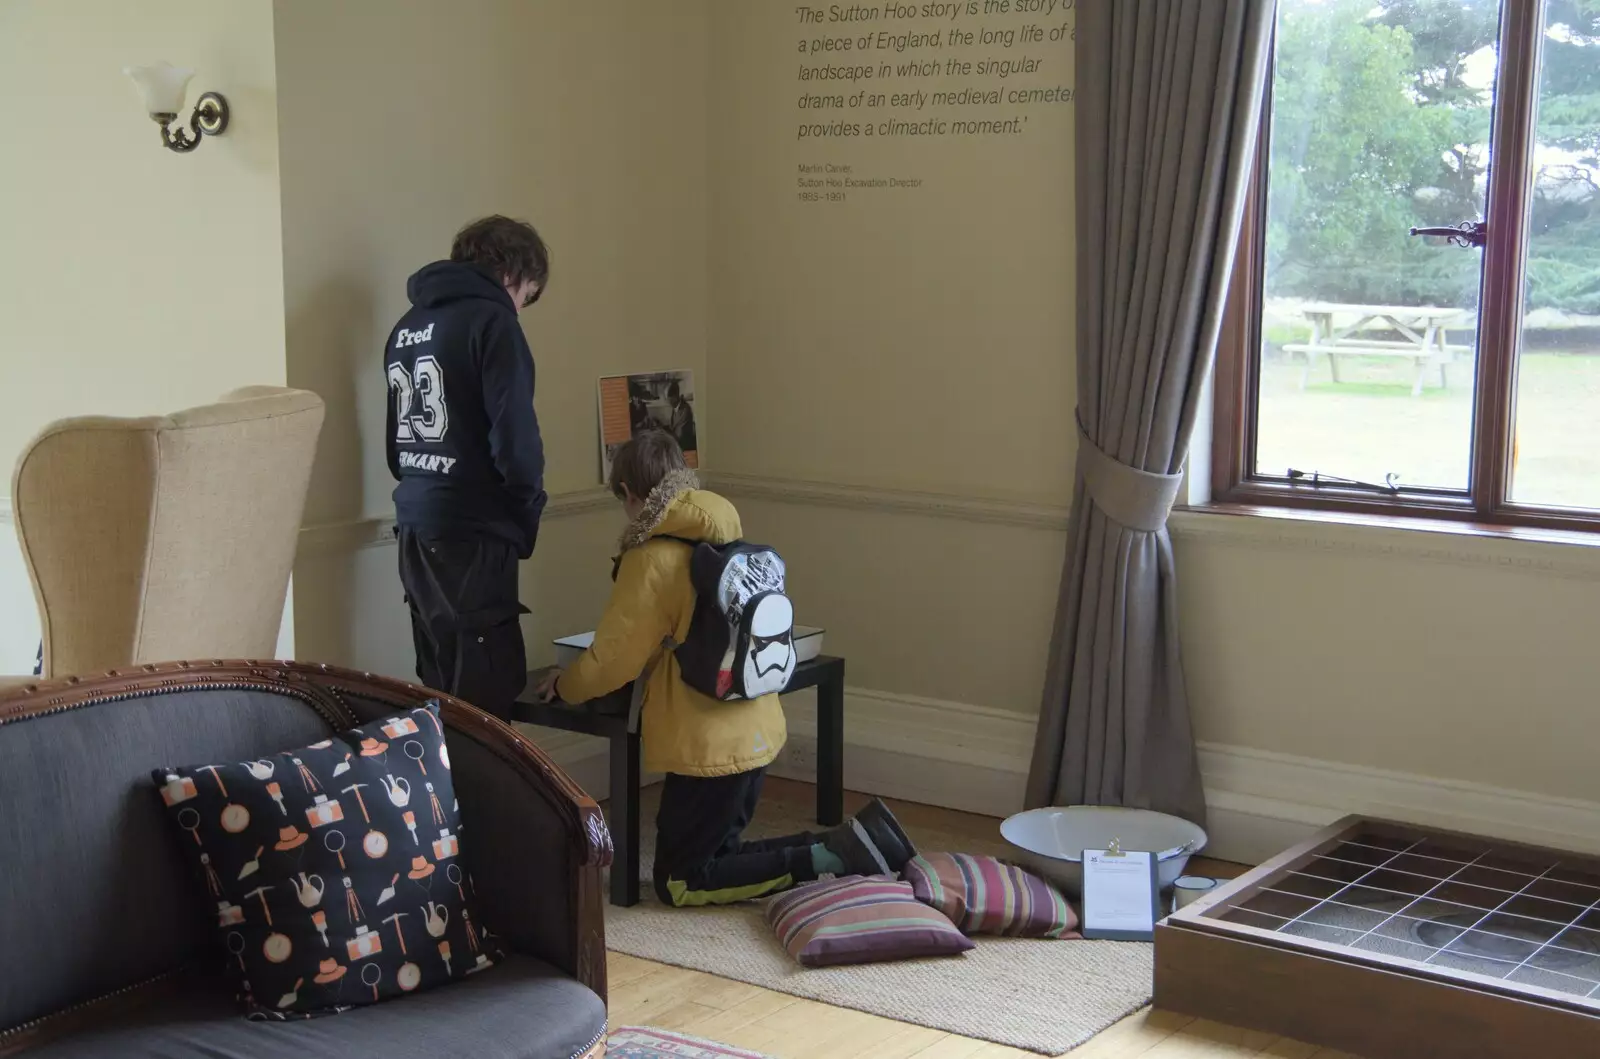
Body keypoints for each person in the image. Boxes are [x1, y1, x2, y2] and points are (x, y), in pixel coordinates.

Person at [533, 431, 915, 906]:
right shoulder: (727, 539)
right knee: (718, 853)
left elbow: (612, 663)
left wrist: (566, 685)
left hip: (707, 751)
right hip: (756, 731)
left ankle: (834, 859)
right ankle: (853, 843)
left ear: (630, 494)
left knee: (683, 881)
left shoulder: (651, 559)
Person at [386, 215, 550, 720]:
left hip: (416, 527)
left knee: (440, 686)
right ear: (513, 274)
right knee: (485, 699)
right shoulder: (493, 323)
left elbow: (397, 449)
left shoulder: (407, 326)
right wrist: (524, 517)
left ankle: (443, 798)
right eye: (529, 294)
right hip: (473, 534)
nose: (522, 307)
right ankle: (483, 802)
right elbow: (516, 444)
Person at [666, 380, 696, 455]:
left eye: (669, 399)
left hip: (684, 448)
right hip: (678, 444)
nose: (668, 402)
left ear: (675, 397)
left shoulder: (685, 409)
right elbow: (673, 427)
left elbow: (680, 433)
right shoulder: (675, 407)